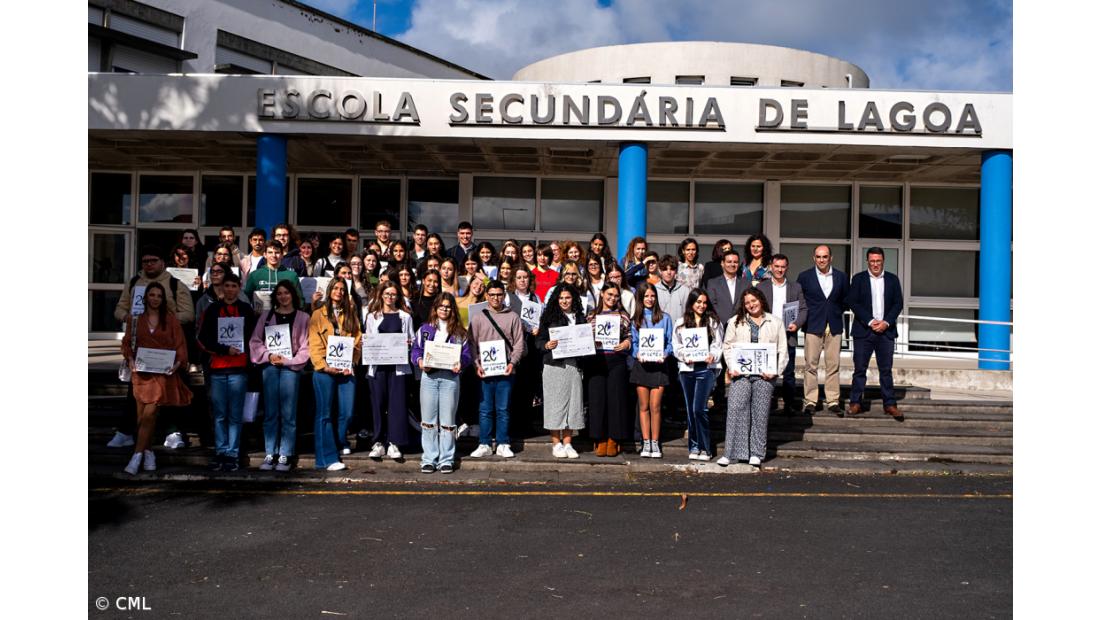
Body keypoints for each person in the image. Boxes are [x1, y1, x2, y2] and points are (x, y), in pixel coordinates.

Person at [108, 246, 196, 449]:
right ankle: (126, 432)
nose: (149, 264)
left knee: (168, 391)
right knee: (136, 392)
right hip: (141, 348)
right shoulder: (133, 282)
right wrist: (130, 319)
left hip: (167, 348)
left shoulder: (175, 284)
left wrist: (164, 320)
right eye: (145, 261)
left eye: (153, 260)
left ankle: (172, 432)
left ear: (162, 262)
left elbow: (188, 314)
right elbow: (120, 308)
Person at [119, 282, 192, 474]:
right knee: (142, 417)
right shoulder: (135, 320)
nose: (155, 299)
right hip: (140, 373)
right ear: (145, 298)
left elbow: (180, 346)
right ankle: (149, 451)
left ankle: (136, 457)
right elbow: (127, 344)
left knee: (150, 412)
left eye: (159, 296)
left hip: (162, 374)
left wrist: (177, 364)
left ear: (163, 299)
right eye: (152, 295)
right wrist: (131, 359)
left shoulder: (171, 320)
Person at [718, 287, 787, 468]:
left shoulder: (776, 322)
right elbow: (727, 346)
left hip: (765, 376)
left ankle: (756, 453)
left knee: (760, 413)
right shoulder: (735, 322)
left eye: (754, 301)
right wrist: (732, 367)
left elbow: (783, 351)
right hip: (742, 374)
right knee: (735, 409)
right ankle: (731, 453)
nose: (751, 305)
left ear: (761, 300)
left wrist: (775, 371)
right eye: (747, 303)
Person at [248, 280, 311, 471]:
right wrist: (269, 355)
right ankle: (270, 452)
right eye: (280, 293)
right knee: (270, 412)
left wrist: (289, 361)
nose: (283, 296)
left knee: (288, 412)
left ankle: (285, 453)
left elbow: (306, 346)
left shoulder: (303, 317)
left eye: (287, 293)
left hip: (291, 369)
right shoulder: (267, 316)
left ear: (293, 295)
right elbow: (256, 341)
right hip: (270, 367)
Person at [198, 272, 256, 471]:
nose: (230, 289)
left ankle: (233, 453)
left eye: (234, 286)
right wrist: (224, 349)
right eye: (227, 286)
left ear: (239, 288)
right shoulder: (212, 309)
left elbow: (253, 337)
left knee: (235, 415)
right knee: (220, 414)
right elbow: (203, 338)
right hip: (217, 369)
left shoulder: (246, 309)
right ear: (222, 288)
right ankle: (220, 452)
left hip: (239, 369)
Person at [411, 293, 471, 474]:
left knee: (447, 422)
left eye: (448, 306)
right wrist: (420, 362)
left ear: (453, 309)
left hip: (450, 379)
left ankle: (446, 459)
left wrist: (462, 363)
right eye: (441, 306)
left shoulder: (460, 332)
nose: (444, 309)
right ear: (435, 309)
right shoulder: (425, 329)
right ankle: (429, 458)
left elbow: (467, 355)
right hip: (429, 378)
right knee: (428, 421)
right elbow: (416, 350)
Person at [467, 280, 526, 458]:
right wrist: (476, 365)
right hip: (485, 370)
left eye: (499, 294)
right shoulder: (478, 318)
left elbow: (519, 344)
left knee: (503, 409)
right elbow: (472, 344)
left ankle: (503, 443)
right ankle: (484, 443)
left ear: (504, 295)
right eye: (492, 294)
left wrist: (512, 363)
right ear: (486, 296)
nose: (495, 298)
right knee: (485, 409)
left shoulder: (513, 317)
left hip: (506, 370)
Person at [308, 278, 361, 471]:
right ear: (330, 290)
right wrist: (324, 366)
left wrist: (352, 362)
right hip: (324, 371)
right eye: (335, 288)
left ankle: (338, 444)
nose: (338, 291)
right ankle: (326, 458)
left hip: (346, 369)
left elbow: (357, 340)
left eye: (342, 289)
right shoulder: (317, 314)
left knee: (346, 413)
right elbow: (314, 345)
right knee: (325, 415)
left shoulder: (350, 314)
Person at [846, 247, 904, 420]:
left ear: (883, 261)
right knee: (859, 369)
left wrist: (886, 322)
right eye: (872, 261)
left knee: (886, 370)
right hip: (864, 331)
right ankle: (856, 403)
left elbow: (898, 303)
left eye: (878, 261)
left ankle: (890, 404)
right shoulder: (858, 279)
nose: (875, 264)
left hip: (886, 332)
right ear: (867, 261)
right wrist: (871, 321)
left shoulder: (893, 280)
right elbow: (852, 302)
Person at [362, 282, 415, 460]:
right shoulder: (371, 316)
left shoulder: (405, 317)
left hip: (397, 368)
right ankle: (378, 442)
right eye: (387, 294)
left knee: (397, 404)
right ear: (381, 295)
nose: (390, 297)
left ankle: (394, 443)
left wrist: (409, 344)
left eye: (393, 294)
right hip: (377, 368)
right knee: (377, 404)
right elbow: (368, 338)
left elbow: (413, 340)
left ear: (398, 297)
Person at [796, 244, 850, 415]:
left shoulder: (841, 277)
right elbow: (800, 301)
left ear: (830, 258)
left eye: (824, 256)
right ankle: (811, 400)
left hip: (834, 324)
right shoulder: (804, 277)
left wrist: (833, 312)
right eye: (818, 257)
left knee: (833, 365)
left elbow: (845, 299)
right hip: (813, 324)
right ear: (814, 258)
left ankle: (833, 400)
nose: (821, 260)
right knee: (810, 364)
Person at [535, 284, 585, 459]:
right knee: (554, 405)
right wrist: (546, 345)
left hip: (574, 366)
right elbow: (538, 341)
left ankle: (568, 443)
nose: (564, 301)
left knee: (573, 404)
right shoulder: (549, 316)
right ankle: (556, 443)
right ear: (557, 299)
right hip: (554, 366)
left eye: (568, 297)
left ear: (574, 299)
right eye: (561, 298)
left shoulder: (580, 317)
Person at [673, 288, 724, 461]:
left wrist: (713, 356)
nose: (701, 305)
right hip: (688, 370)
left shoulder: (713, 321)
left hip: (706, 369)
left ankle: (706, 447)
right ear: (692, 303)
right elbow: (676, 345)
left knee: (700, 409)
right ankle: (694, 446)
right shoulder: (681, 322)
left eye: (704, 302)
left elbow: (718, 344)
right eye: (698, 302)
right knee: (690, 410)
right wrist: (683, 356)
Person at [585, 284, 633, 457]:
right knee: (597, 401)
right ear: (602, 293)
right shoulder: (591, 315)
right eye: (609, 294)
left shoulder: (623, 315)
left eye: (616, 296)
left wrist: (626, 344)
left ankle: (614, 438)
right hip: (596, 361)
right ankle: (600, 438)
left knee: (616, 400)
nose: (612, 298)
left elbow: (629, 336)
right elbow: (583, 337)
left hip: (616, 360)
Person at [756, 254, 807, 414]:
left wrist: (797, 324)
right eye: (776, 266)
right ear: (771, 267)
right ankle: (765, 403)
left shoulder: (795, 287)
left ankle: (789, 404)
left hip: (788, 334)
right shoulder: (761, 288)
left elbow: (803, 309)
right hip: (767, 335)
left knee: (789, 373)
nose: (779, 270)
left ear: (787, 267)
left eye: (783, 267)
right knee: (764, 371)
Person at [630, 282, 674, 458]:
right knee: (643, 406)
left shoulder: (665, 318)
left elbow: (671, 342)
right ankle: (645, 442)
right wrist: (636, 353)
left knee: (655, 406)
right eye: (646, 296)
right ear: (640, 298)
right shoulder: (636, 320)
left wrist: (665, 353)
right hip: (642, 366)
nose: (649, 299)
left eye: (652, 296)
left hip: (659, 366)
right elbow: (633, 343)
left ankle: (655, 443)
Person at [243, 241, 303, 312]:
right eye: (270, 252)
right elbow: (246, 300)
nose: (274, 255)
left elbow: (300, 301)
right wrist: (252, 313)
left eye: (277, 252)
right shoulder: (254, 275)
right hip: (260, 319)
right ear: (265, 254)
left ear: (282, 255)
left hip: (285, 319)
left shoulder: (292, 275)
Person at [705, 249, 750, 326]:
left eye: (735, 262)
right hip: (720, 325)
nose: (732, 264)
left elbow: (748, 304)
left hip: (741, 325)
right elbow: (712, 305)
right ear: (722, 263)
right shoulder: (713, 283)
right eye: (729, 262)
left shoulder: (746, 283)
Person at [655, 255, 691, 326]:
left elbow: (688, 313)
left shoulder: (685, 290)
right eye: (665, 269)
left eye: (672, 269)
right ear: (659, 271)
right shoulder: (654, 290)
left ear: (676, 271)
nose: (669, 272)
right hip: (660, 332)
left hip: (679, 331)